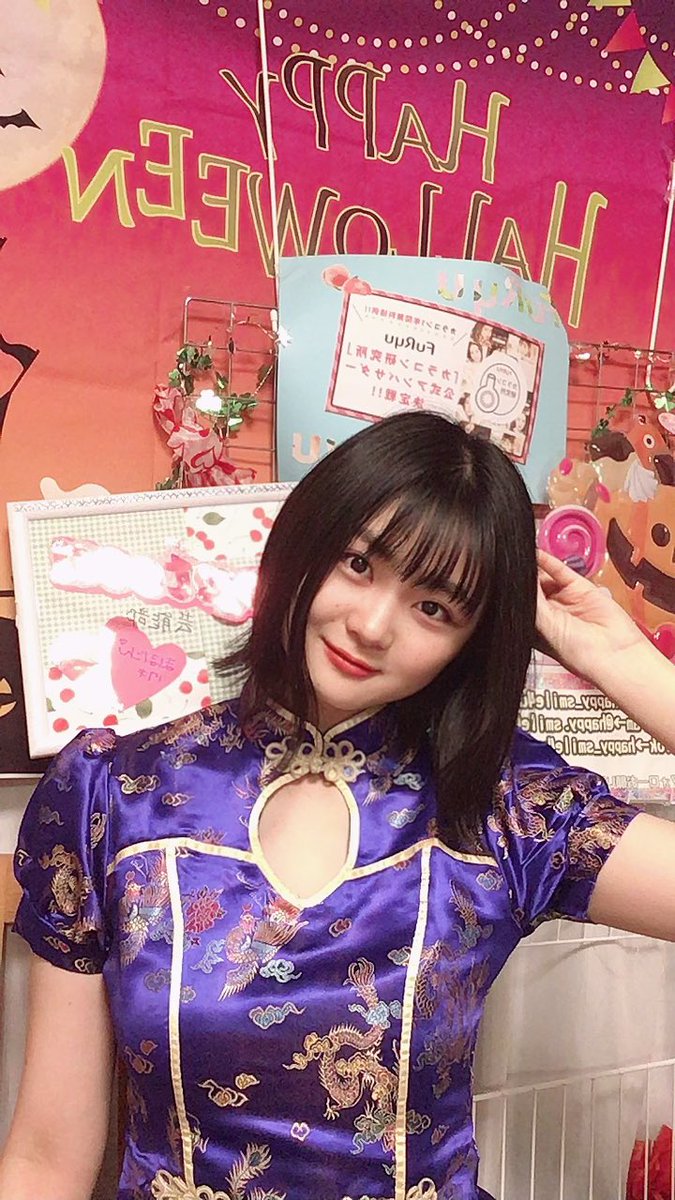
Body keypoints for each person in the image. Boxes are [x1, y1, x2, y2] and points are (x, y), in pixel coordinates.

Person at [2, 411, 675, 1200]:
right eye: (358, 563)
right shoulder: (116, 793)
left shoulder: (508, 809)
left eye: (435, 607)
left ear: (470, 641)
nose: (372, 625)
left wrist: (620, 659)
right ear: (304, 540)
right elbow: (46, 1156)